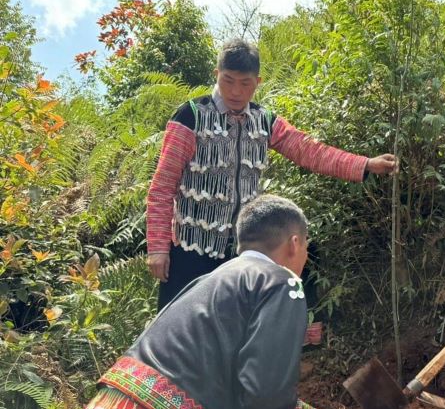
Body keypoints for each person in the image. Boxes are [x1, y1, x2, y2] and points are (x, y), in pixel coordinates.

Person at [35, 195, 354, 409]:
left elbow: (238, 376)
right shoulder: (283, 283)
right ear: (294, 243)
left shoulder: (210, 282)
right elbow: (265, 392)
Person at [147, 38, 397, 310]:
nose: (235, 91)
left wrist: (365, 164)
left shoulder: (264, 120)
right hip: (191, 250)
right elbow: (162, 186)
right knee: (178, 332)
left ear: (258, 82)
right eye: (228, 80)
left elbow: (310, 151)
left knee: (230, 335)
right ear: (216, 75)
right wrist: (158, 248)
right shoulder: (191, 116)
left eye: (245, 83)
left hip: (241, 252)